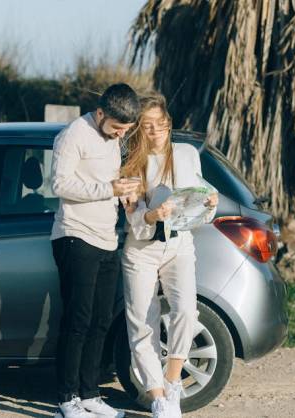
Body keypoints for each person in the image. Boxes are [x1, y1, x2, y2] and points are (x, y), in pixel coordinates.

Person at [120, 94, 218, 418]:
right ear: (138, 128)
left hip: (180, 244)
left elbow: (199, 201)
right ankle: (159, 398)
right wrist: (152, 214)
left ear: (169, 123)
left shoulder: (187, 154)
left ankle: (173, 382)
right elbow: (134, 219)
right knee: (141, 323)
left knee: (186, 310)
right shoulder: (130, 163)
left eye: (160, 124)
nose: (155, 131)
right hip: (142, 249)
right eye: (147, 126)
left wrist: (209, 204)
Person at [50, 83, 141, 418]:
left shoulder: (114, 138)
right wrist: (109, 189)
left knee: (101, 320)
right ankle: (67, 399)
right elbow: (59, 184)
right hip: (75, 236)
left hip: (107, 239)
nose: (121, 134)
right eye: (117, 127)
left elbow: (108, 184)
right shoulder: (73, 135)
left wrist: (123, 194)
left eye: (126, 129)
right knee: (78, 320)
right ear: (101, 113)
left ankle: (89, 394)